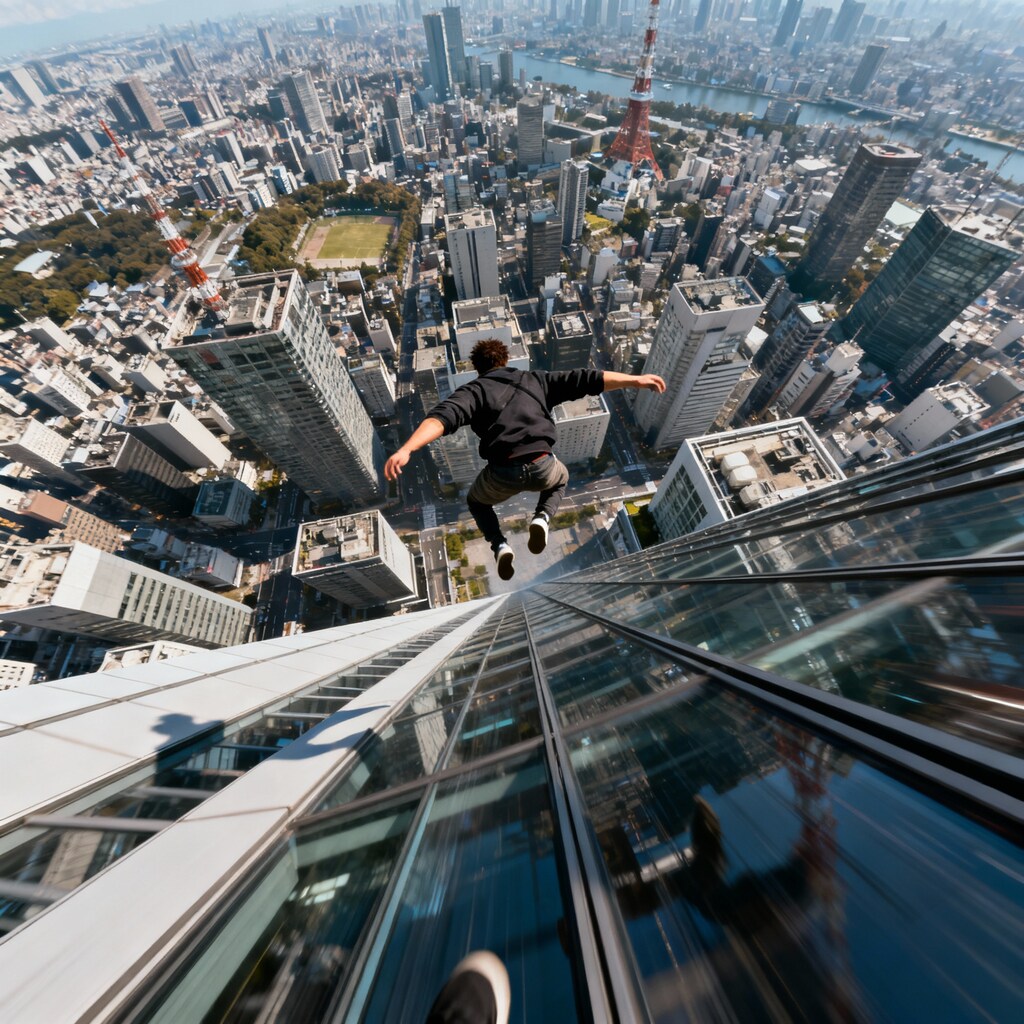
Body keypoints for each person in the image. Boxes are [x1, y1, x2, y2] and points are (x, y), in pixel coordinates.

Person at [384, 339, 665, 581]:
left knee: (476, 502)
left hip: (502, 472)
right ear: (505, 360)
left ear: (478, 368)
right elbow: (587, 379)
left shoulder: (474, 391)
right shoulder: (536, 380)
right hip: (543, 464)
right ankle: (542, 518)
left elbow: (442, 417)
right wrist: (635, 380)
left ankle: (499, 546)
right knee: (561, 478)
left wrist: (407, 448)